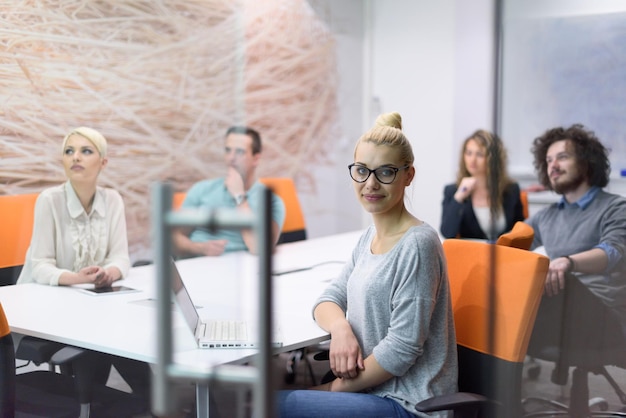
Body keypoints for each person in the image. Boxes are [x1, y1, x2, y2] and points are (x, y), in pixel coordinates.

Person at [278, 112, 458, 418]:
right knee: (264, 399)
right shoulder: (368, 238)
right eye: (361, 170)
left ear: (408, 175)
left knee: (275, 404)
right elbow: (328, 298)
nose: (370, 183)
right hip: (373, 391)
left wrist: (331, 390)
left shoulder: (418, 244)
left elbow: (401, 351)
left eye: (385, 172)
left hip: (409, 404)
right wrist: (340, 328)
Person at [16, 127, 151, 406]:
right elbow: (40, 266)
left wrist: (109, 273)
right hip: (45, 308)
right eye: (69, 151)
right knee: (114, 342)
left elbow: (121, 257)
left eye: (85, 151)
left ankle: (149, 404)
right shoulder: (49, 201)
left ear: (103, 162)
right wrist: (75, 278)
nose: (75, 157)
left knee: (124, 340)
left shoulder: (112, 199)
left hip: (90, 307)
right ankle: (134, 404)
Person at [525, 124, 626, 363]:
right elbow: (509, 246)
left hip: (604, 317)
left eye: (562, 157)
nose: (553, 166)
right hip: (559, 312)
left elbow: (612, 253)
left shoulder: (616, 207)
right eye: (548, 160)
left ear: (586, 161)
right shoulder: (546, 216)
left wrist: (566, 263)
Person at [172, 126, 286, 258]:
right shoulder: (202, 190)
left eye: (239, 152)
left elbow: (260, 248)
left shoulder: (272, 201)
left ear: (256, 159)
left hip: (245, 269)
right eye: (228, 150)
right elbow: (175, 237)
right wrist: (200, 248)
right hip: (201, 266)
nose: (231, 158)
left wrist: (239, 197)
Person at [440, 129, 525, 240]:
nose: (472, 160)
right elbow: (447, 233)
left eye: (480, 154)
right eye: (469, 153)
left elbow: (520, 232)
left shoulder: (511, 190)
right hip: (471, 255)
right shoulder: (453, 191)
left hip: (504, 255)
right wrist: (459, 197)